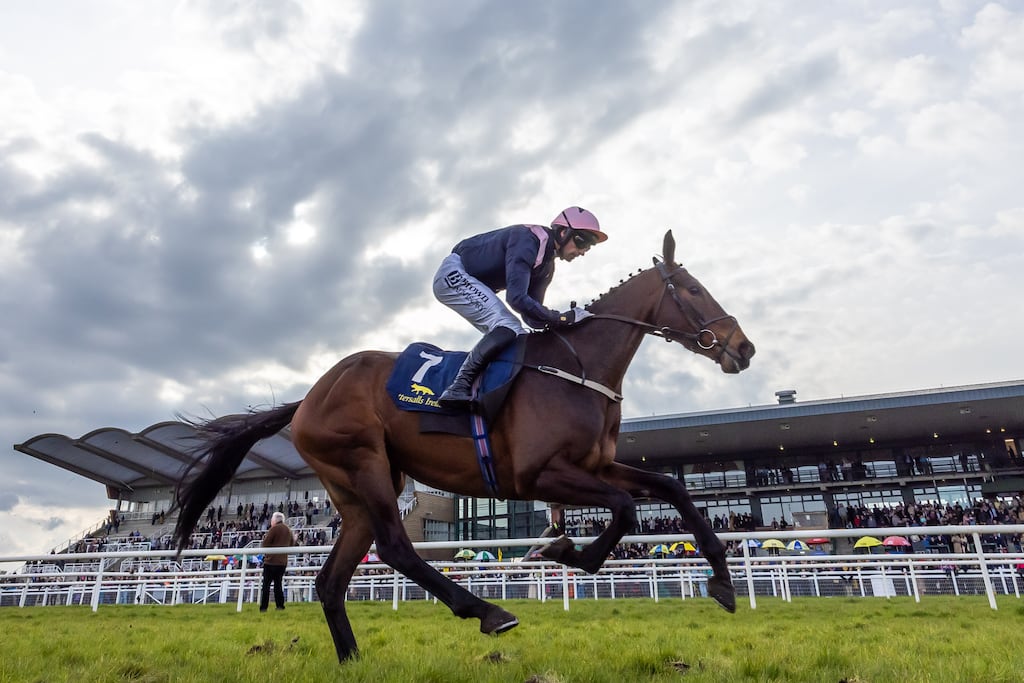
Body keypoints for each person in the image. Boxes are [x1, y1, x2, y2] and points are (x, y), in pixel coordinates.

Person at [433, 206, 608, 408]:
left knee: (519, 333)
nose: (584, 251)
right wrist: (562, 318)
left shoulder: (546, 266)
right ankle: (458, 387)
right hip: (454, 272)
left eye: (590, 246)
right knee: (507, 326)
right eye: (582, 241)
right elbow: (516, 299)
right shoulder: (529, 239)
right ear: (563, 232)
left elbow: (531, 317)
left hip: (471, 280)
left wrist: (565, 326)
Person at [259, 511, 294, 612]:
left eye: (272, 520)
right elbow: (292, 545)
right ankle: (280, 606)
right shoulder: (288, 530)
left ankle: (264, 607)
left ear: (275, 520)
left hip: (270, 562)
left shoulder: (274, 529)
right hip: (282, 562)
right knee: (278, 585)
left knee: (266, 585)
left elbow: (265, 544)